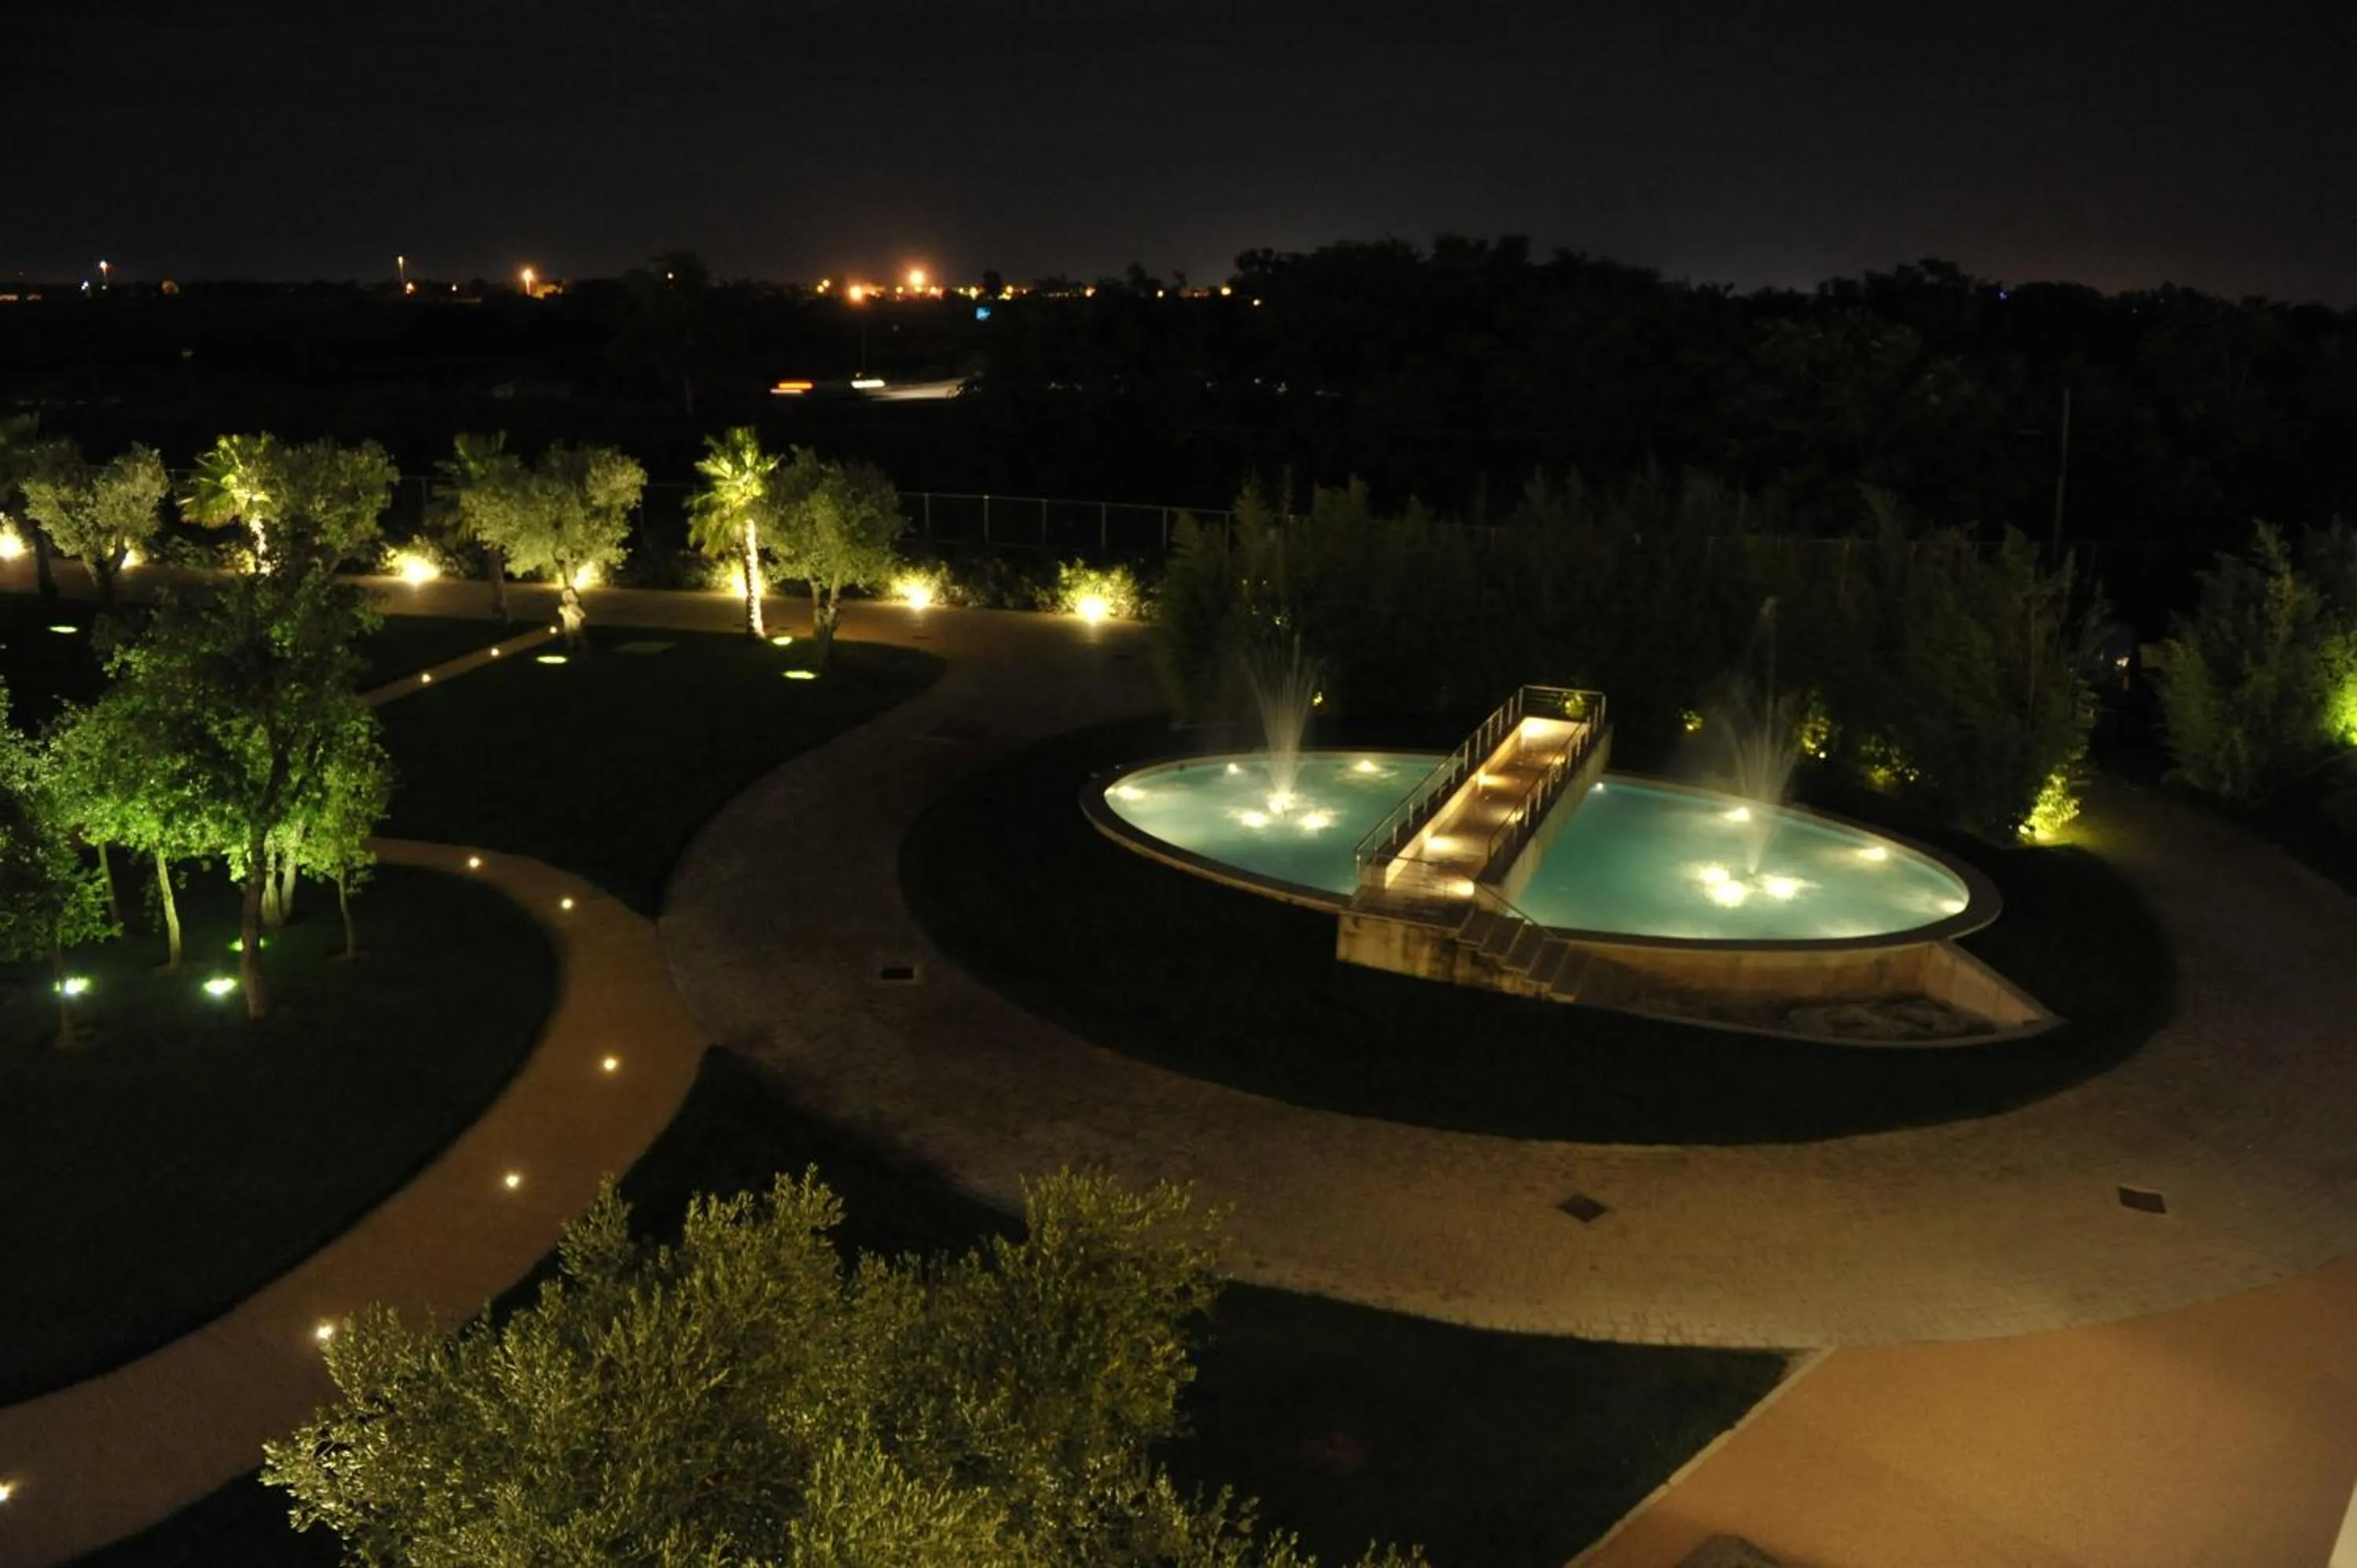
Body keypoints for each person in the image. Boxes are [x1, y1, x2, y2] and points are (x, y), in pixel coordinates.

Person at [557, 584, 587, 653]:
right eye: (566, 596)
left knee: (578, 636)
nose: (568, 597)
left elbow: (583, 615)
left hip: (576, 625)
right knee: (569, 637)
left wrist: (576, 617)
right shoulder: (564, 608)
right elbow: (560, 611)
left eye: (569, 595)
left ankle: (581, 649)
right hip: (568, 626)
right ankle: (571, 649)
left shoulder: (574, 607)